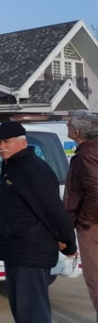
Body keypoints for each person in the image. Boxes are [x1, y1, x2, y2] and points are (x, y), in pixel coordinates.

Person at [0, 121, 77, 323]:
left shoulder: (33, 169)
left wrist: (68, 242)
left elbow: (53, 210)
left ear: (22, 142)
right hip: (16, 250)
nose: (1, 147)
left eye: (6, 142)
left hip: (30, 251)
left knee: (33, 312)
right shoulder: (12, 166)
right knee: (21, 310)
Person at [63, 110, 98, 319]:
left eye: (69, 124)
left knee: (95, 278)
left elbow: (95, 190)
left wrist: (84, 220)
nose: (67, 126)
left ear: (77, 131)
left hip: (92, 223)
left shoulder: (87, 153)